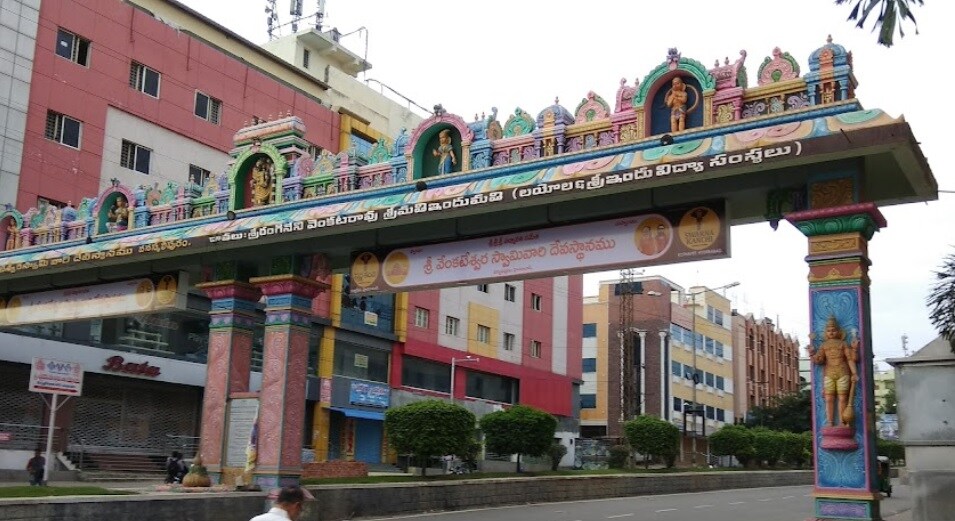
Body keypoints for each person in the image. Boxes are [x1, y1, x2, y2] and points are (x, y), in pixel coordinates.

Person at [809, 315, 860, 427]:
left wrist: (854, 372)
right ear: (826, 332)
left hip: (843, 372)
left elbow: (851, 359)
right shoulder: (824, 345)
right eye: (829, 331)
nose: (831, 332)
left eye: (833, 330)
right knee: (829, 398)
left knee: (842, 398)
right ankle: (830, 422)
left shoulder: (843, 344)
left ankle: (842, 421)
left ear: (838, 332)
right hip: (829, 373)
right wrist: (812, 353)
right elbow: (819, 360)